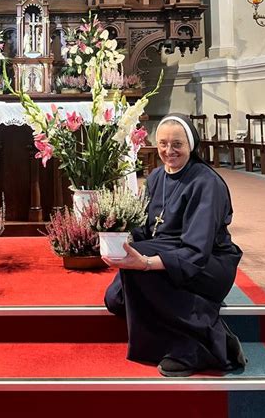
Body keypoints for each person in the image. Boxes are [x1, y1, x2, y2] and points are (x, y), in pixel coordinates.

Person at [104, 113, 246, 377]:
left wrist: (145, 263)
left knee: (139, 273)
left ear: (191, 145)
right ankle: (191, 322)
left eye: (177, 144)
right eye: (163, 144)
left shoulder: (206, 183)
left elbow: (196, 250)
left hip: (209, 263)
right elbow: (145, 228)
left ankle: (199, 345)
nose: (169, 151)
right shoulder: (157, 177)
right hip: (167, 251)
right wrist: (114, 236)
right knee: (115, 299)